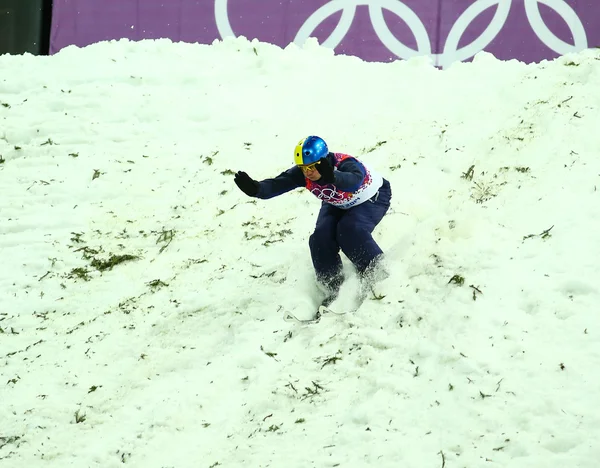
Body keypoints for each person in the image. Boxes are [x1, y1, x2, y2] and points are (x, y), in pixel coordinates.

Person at [234, 136, 392, 306]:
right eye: (303, 168)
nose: (308, 172)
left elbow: (354, 181)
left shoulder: (344, 163)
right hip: (337, 201)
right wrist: (256, 189)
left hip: (370, 197)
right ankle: (334, 287)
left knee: (349, 230)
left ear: (323, 160)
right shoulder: (303, 174)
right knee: (320, 238)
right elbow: (278, 184)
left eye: (312, 167)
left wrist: (333, 176)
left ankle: (378, 275)